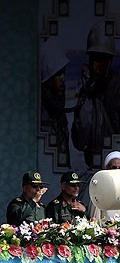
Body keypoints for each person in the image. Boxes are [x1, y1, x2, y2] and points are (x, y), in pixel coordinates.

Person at [72, 21, 120, 170]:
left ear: (109, 61)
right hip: (89, 164)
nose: (95, 66)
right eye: (92, 59)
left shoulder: (116, 89)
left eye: (99, 60)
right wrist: (87, 94)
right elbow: (79, 140)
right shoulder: (87, 91)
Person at [40, 37, 71, 168]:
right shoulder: (43, 113)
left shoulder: (59, 112)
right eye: (58, 74)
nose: (63, 78)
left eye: (63, 73)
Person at [88, 151, 120, 224]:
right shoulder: (99, 190)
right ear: (107, 168)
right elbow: (95, 219)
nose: (117, 170)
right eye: (114, 167)